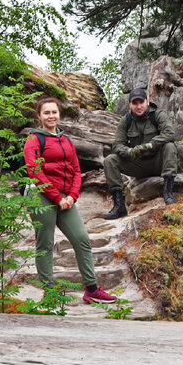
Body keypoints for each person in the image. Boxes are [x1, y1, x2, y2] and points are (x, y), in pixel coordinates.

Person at [24, 95, 117, 304]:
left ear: (59, 114)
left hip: (66, 199)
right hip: (41, 196)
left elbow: (76, 169)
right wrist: (57, 198)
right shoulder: (33, 139)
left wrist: (73, 196)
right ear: (39, 116)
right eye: (46, 112)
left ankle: (91, 290)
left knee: (82, 239)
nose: (51, 116)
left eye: (54, 112)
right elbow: (35, 171)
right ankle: (49, 293)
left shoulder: (66, 139)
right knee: (45, 243)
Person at [101, 88, 180, 219]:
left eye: (141, 102)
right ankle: (119, 206)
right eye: (135, 103)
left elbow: (170, 134)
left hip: (158, 163)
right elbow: (117, 145)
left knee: (170, 146)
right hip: (137, 165)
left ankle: (168, 193)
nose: (138, 106)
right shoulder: (126, 121)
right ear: (130, 105)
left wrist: (150, 145)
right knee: (110, 160)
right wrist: (129, 151)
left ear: (147, 102)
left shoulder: (159, 115)